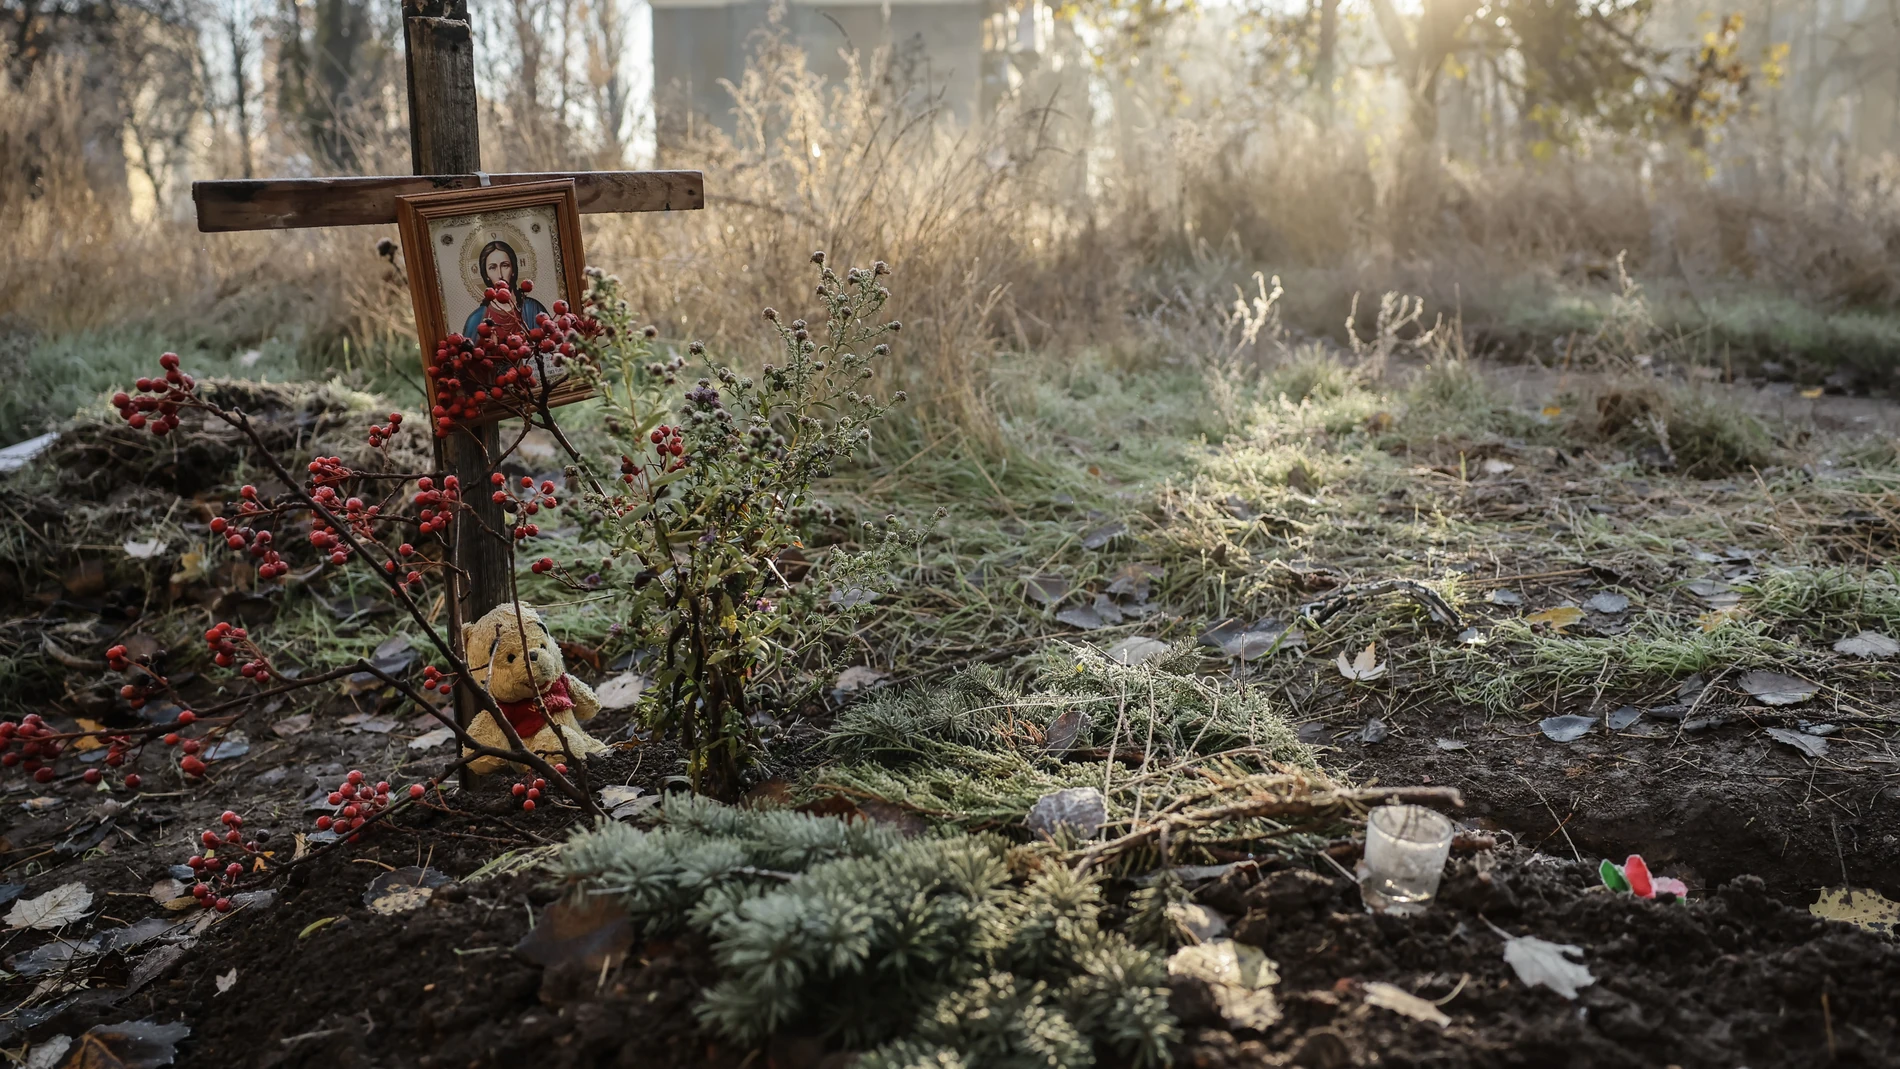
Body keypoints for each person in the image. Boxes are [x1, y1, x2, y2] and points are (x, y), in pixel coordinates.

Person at [462, 240, 548, 339]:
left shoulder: (533, 309)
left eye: (505, 265)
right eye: (492, 267)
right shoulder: (476, 319)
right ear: (486, 275)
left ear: (513, 270)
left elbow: (550, 345)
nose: (500, 275)